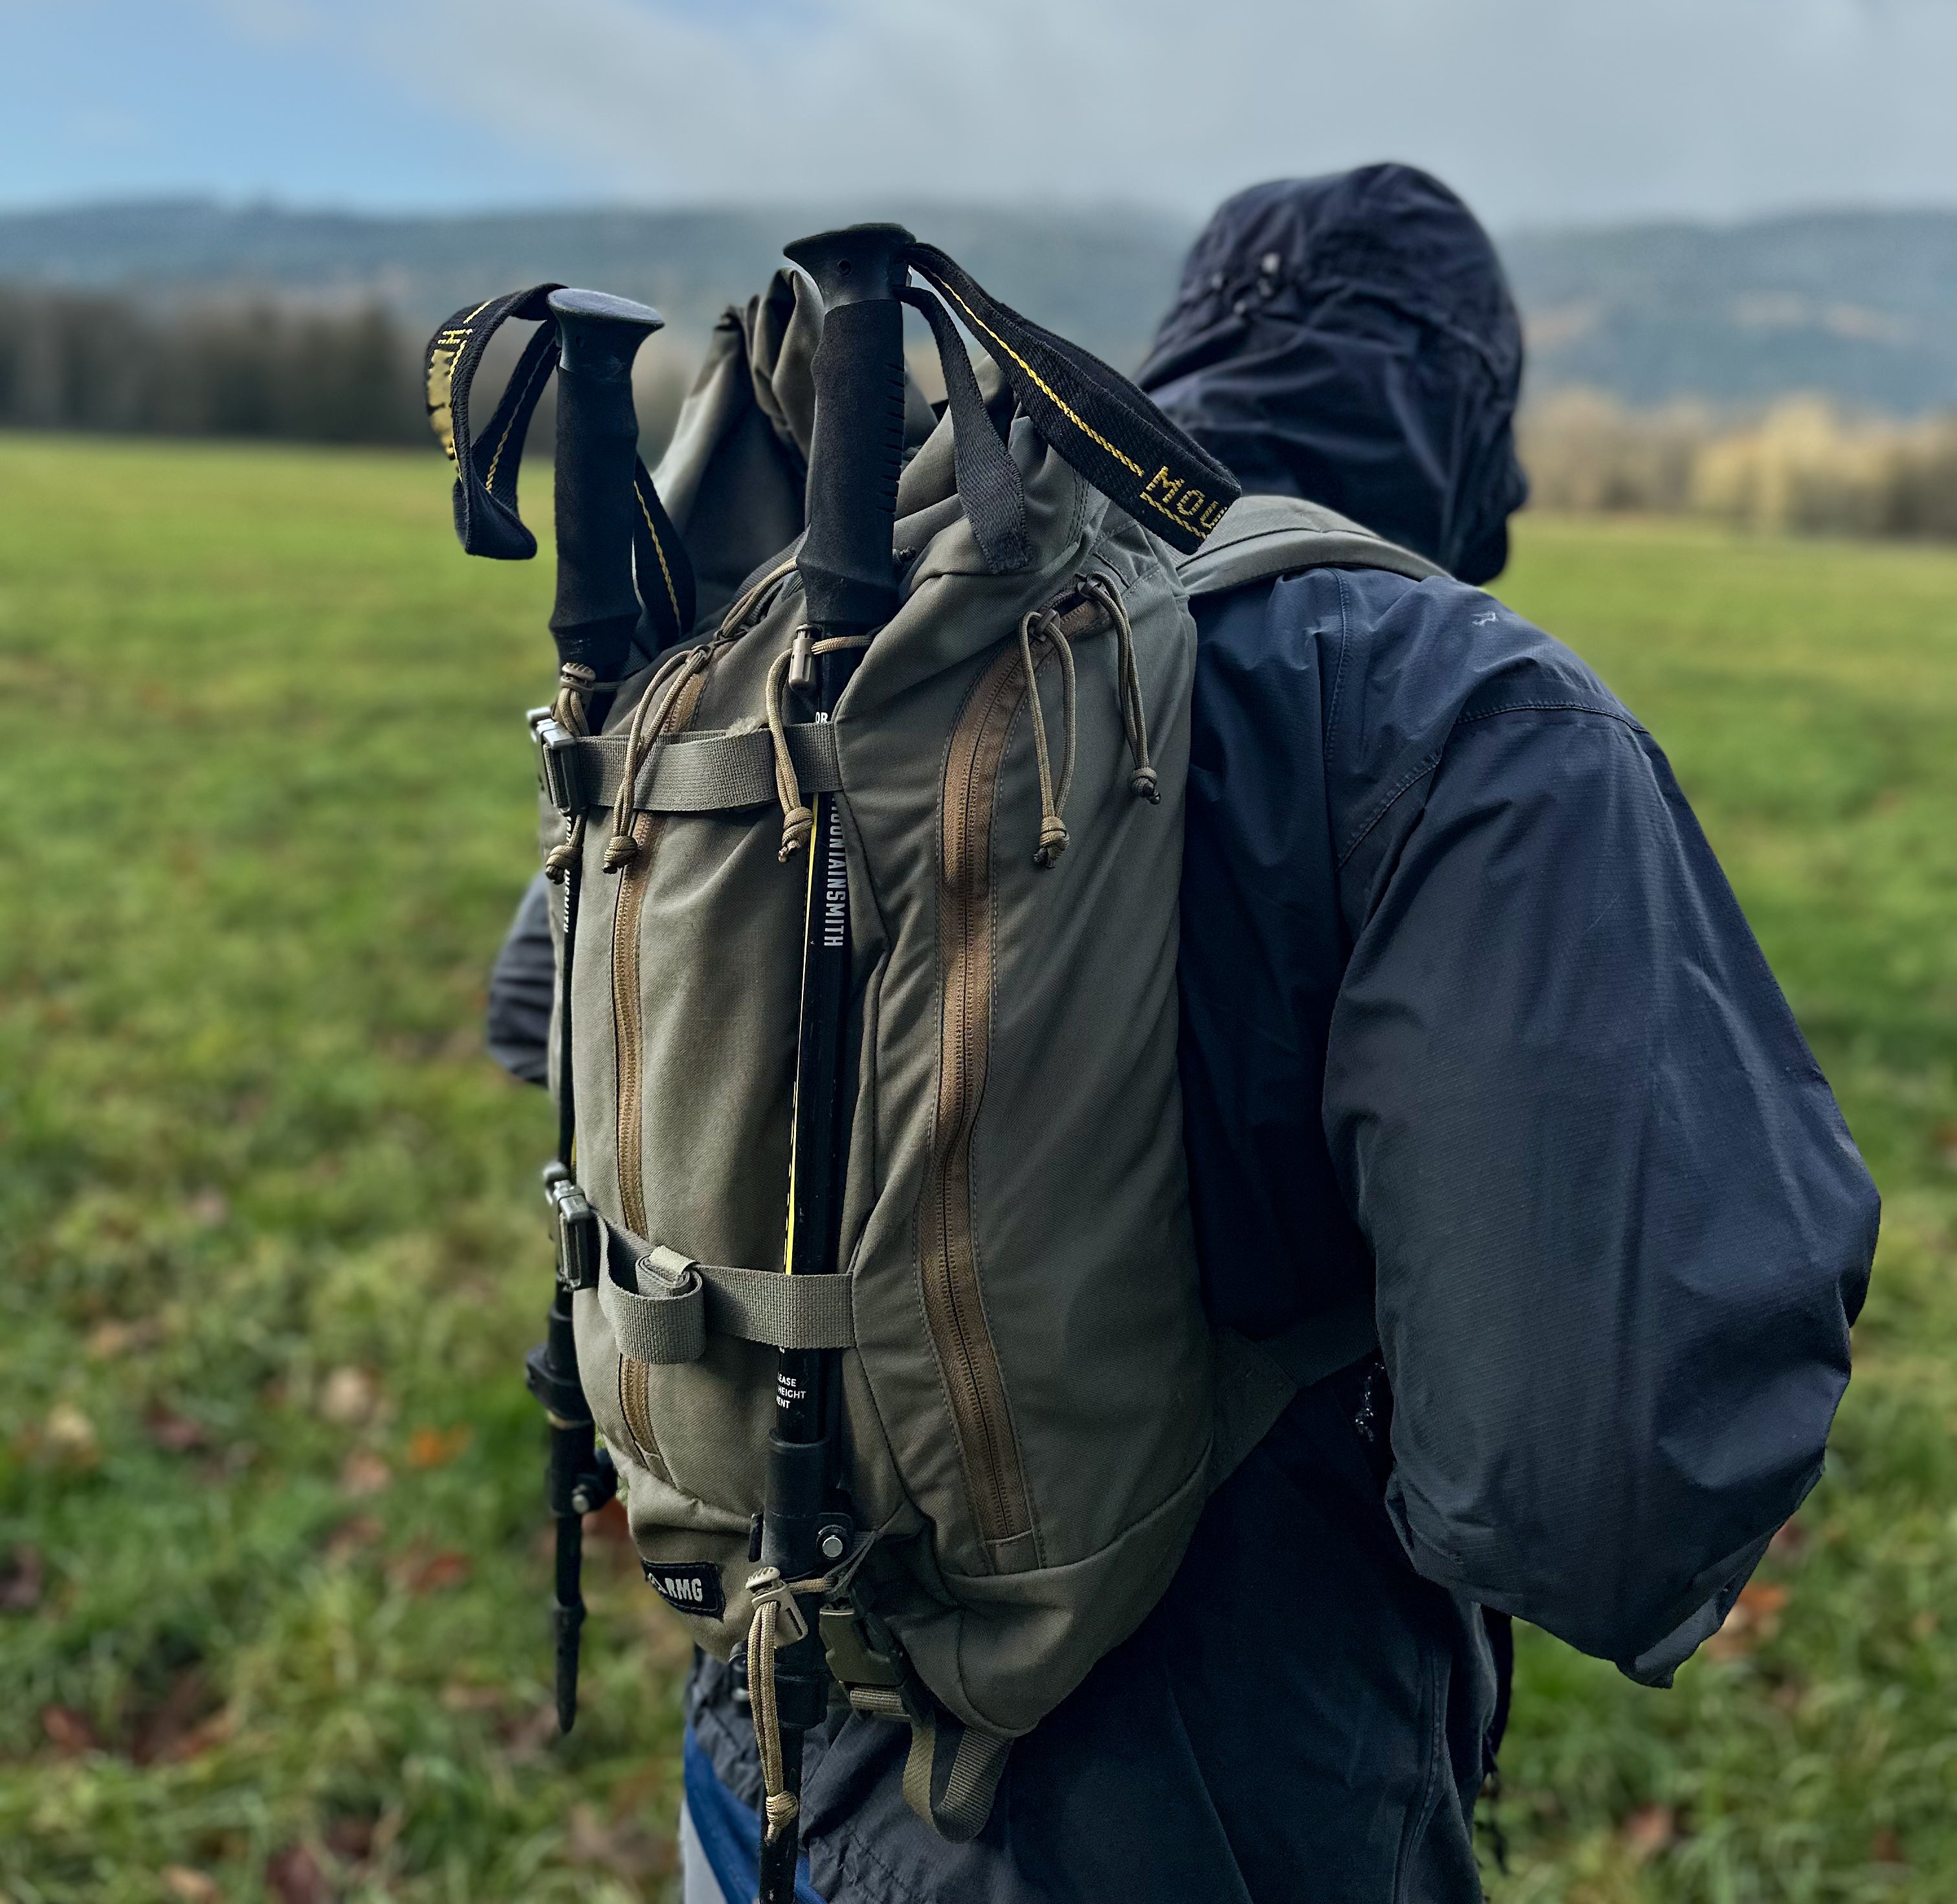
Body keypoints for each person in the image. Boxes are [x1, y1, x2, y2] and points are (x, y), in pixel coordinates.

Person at [489, 163, 1879, 1904]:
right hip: (1215, 1828)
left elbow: (542, 1003)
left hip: (761, 1766)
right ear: (1473, 438)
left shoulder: (867, 607)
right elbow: (1596, 1489)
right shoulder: (1468, 712)